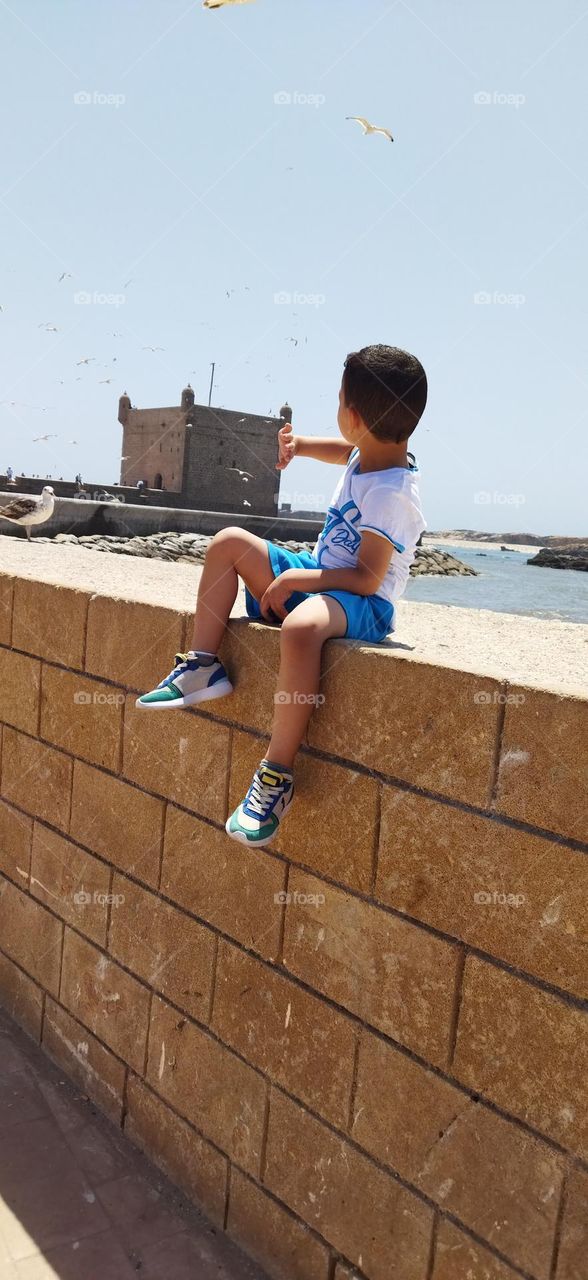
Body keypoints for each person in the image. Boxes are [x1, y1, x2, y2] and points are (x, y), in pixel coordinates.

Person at [137, 345, 427, 847]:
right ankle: (204, 665)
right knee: (228, 542)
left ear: (353, 416)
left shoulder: (392, 495)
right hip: (325, 575)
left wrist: (297, 581)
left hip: (363, 602)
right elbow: (347, 452)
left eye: (339, 402)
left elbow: (364, 578)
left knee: (300, 628)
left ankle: (276, 774)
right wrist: (303, 446)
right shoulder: (372, 452)